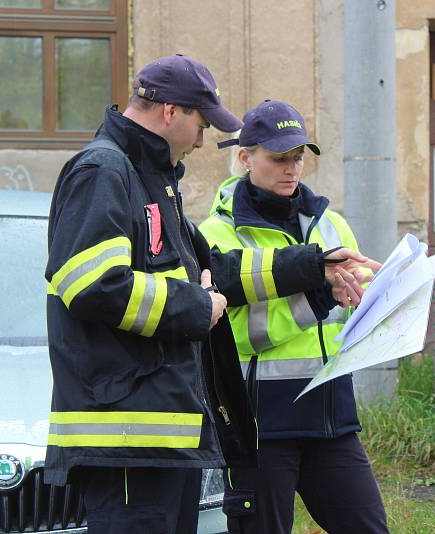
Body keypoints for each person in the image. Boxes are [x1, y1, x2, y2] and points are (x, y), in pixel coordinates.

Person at [44, 54, 373, 534]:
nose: (203, 138)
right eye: (201, 122)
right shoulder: (104, 171)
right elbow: (91, 284)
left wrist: (313, 266)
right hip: (127, 440)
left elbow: (215, 270)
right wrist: (196, 305)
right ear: (171, 112)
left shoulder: (151, 178)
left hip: (161, 436)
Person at [199, 99, 389, 534]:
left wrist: (381, 301)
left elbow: (353, 313)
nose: (292, 168)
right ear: (245, 158)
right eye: (279, 158)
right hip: (261, 425)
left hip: (333, 418)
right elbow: (232, 336)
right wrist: (318, 301)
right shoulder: (216, 235)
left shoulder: (333, 225)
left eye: (298, 157)